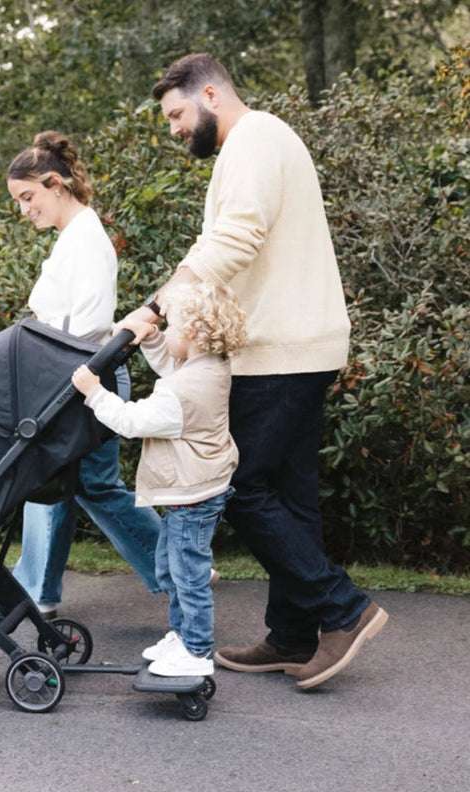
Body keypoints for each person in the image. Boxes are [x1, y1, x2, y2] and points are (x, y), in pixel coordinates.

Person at [118, 53, 388, 689]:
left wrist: (161, 305)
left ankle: (344, 610)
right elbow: (229, 240)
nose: (176, 128)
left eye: (178, 113)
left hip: (279, 349)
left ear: (212, 94)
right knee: (289, 496)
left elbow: (235, 238)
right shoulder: (261, 143)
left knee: (241, 487)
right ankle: (294, 635)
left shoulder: (256, 139)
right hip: (294, 346)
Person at [6, 131, 163, 616]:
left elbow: (86, 325)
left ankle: (35, 591)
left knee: (64, 480)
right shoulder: (72, 238)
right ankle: (37, 590)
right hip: (74, 375)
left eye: (28, 196)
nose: (24, 209)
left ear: (56, 184)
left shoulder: (86, 239)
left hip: (83, 377)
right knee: (79, 485)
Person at [73, 282, 245, 677]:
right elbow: (174, 366)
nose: (168, 334)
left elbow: (132, 422)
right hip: (197, 487)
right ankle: (182, 635)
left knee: (188, 575)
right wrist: (153, 343)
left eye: (174, 328)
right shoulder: (209, 366)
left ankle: (196, 650)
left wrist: (94, 392)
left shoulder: (183, 392)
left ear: (196, 334)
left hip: (192, 495)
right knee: (170, 569)